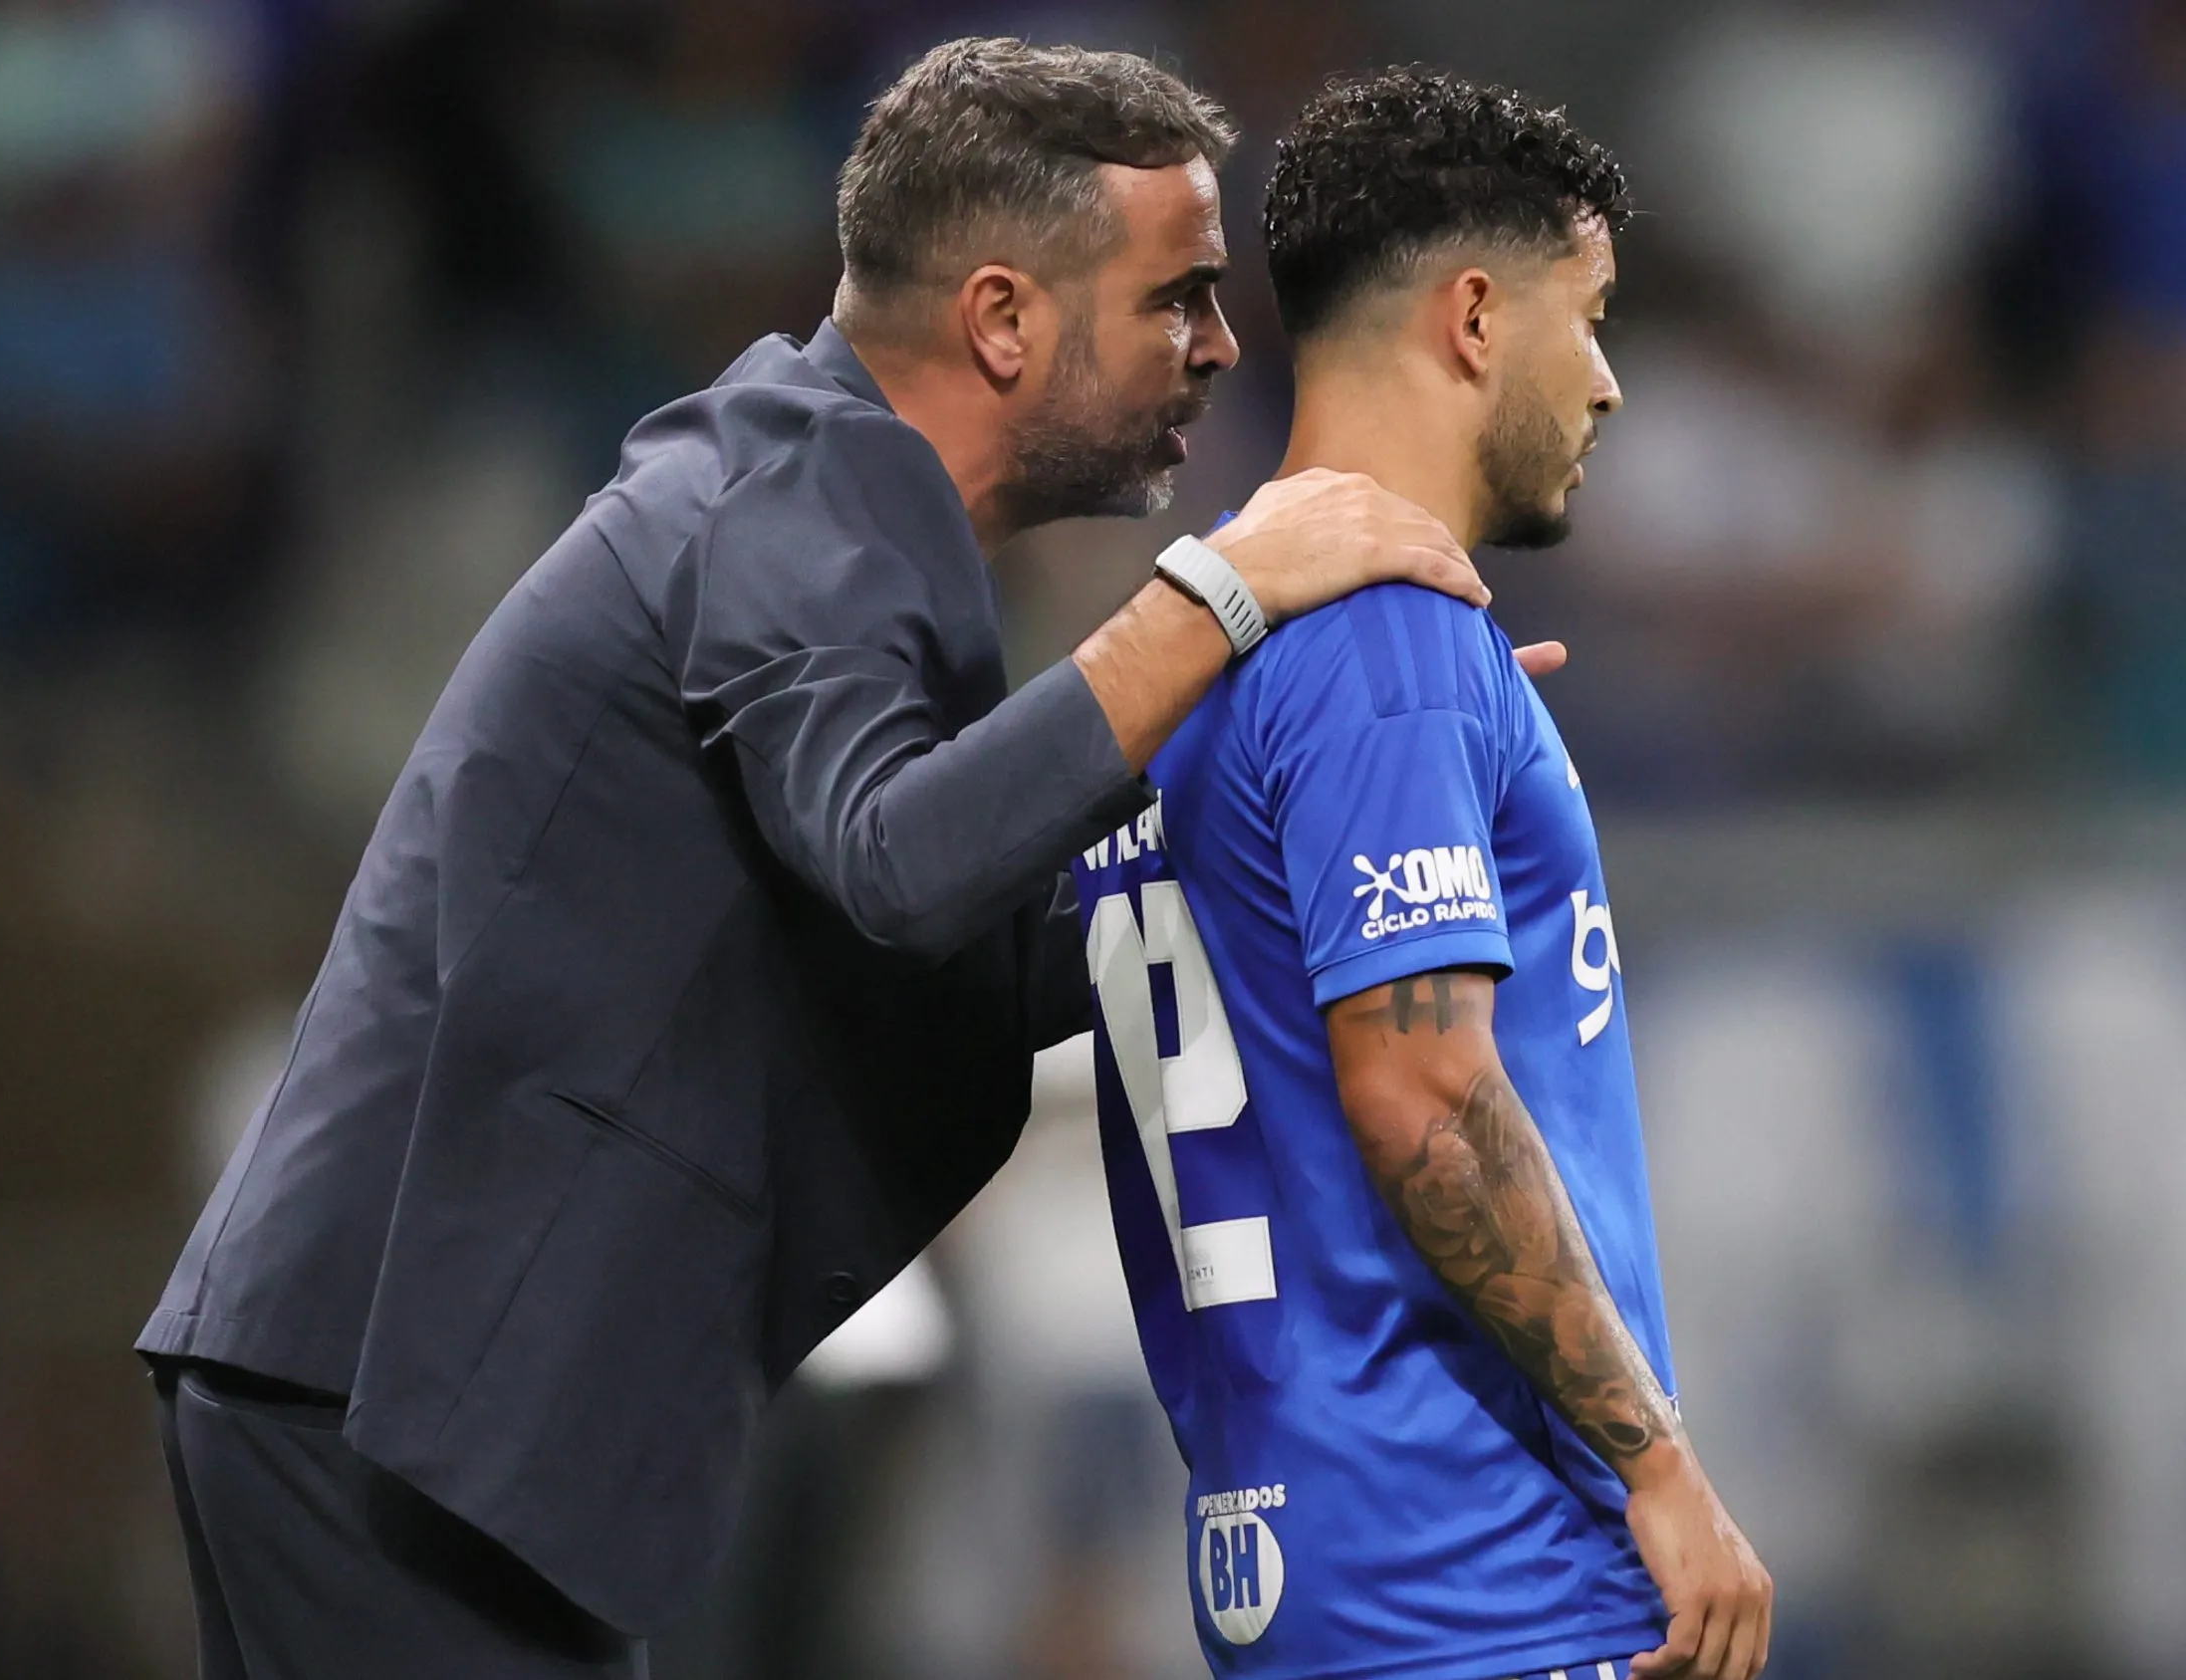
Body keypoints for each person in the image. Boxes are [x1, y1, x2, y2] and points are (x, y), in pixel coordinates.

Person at [133, 38, 1511, 1679]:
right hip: (387, 1389)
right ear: (1002, 318)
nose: (1220, 343)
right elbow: (900, 863)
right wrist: (1220, 594)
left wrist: (1338, 779)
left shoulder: (857, 517)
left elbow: (982, 938)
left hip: (426, 1393)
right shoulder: (797, 493)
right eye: (1175, 296)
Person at [1069, 71, 1772, 1680]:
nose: (1607, 384)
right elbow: (1426, 1100)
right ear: (1473, 316)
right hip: (1482, 1579)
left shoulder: (1201, 651)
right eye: (1589, 316)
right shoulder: (1385, 637)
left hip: (1300, 1568)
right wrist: (1656, 1461)